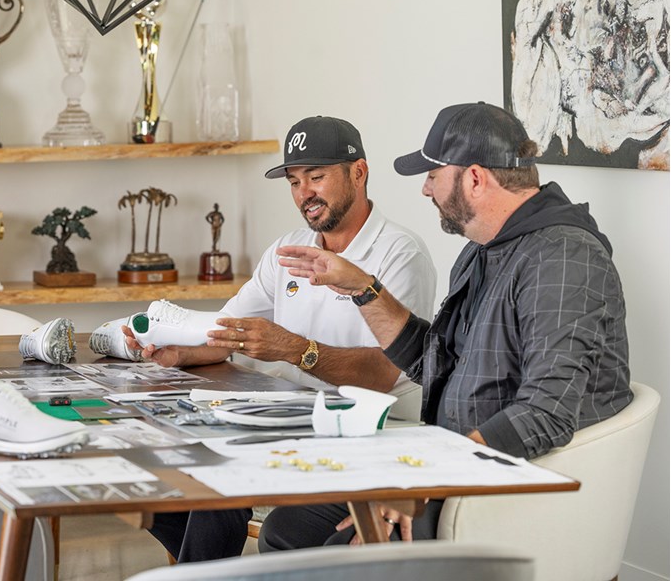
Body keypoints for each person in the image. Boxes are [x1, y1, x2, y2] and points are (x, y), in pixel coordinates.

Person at [264, 101, 632, 550]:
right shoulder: (482, 250)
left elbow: (547, 412)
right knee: (286, 528)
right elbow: (435, 361)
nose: (425, 189)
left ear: (474, 178)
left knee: (341, 555)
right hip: (452, 464)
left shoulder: (563, 257)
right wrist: (363, 287)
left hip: (500, 486)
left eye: (433, 175)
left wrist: (429, 478)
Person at [125, 115, 437, 562]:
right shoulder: (288, 249)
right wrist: (178, 352)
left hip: (368, 434)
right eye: (294, 181)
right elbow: (230, 328)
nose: (304, 192)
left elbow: (383, 374)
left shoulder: (400, 254)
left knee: (216, 487)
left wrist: (293, 349)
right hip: (291, 424)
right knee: (164, 480)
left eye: (316, 176)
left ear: (359, 173)